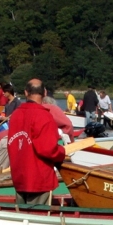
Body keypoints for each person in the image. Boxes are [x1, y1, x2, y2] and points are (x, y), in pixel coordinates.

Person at [7, 78, 66, 206]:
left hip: (19, 177)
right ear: (45, 93)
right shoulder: (44, 116)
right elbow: (48, 149)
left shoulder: (15, 115)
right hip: (38, 179)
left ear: (26, 92)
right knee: (39, 215)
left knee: (22, 214)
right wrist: (62, 151)